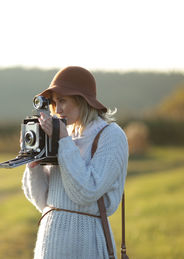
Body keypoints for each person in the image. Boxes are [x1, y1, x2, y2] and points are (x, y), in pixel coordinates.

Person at [22, 66, 128, 259]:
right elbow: (43, 201)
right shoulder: (64, 133)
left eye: (63, 100)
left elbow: (88, 191)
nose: (58, 109)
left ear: (83, 100)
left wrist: (63, 141)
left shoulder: (111, 135)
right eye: (54, 102)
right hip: (49, 242)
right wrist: (33, 160)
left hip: (86, 243)